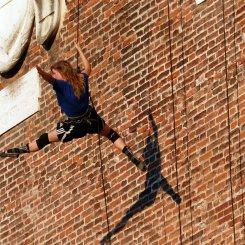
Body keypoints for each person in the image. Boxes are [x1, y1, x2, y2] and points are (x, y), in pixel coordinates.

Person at [0, 43, 147, 171]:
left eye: (54, 72)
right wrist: (80, 50)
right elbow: (88, 67)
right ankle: (129, 153)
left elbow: (49, 79)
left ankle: (16, 150)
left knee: (44, 139)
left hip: (73, 126)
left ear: (60, 73)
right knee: (111, 134)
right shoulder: (81, 79)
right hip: (90, 119)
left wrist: (41, 72)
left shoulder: (59, 84)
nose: (53, 75)